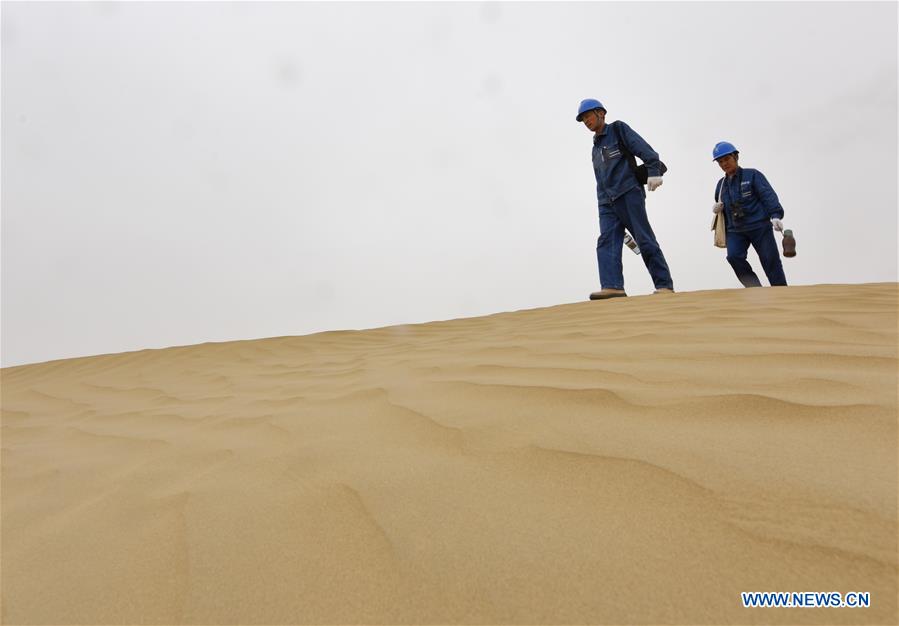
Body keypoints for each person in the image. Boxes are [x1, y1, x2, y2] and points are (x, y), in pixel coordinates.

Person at [576, 98, 674, 300]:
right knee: (606, 241)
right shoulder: (595, 148)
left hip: (629, 193)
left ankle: (664, 285)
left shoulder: (618, 129)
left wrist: (654, 170)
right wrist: (602, 203)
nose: (586, 121)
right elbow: (600, 179)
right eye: (583, 119)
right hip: (606, 202)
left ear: (600, 113)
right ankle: (613, 286)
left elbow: (644, 149)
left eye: (588, 116)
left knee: (643, 238)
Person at [711, 141, 787, 288]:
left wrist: (776, 215)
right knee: (733, 257)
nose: (724, 164)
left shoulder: (752, 175)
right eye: (720, 161)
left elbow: (768, 195)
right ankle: (755, 291)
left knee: (770, 260)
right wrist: (717, 208)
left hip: (759, 226)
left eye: (727, 159)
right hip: (735, 230)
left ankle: (781, 292)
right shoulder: (720, 185)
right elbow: (719, 203)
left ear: (736, 157)